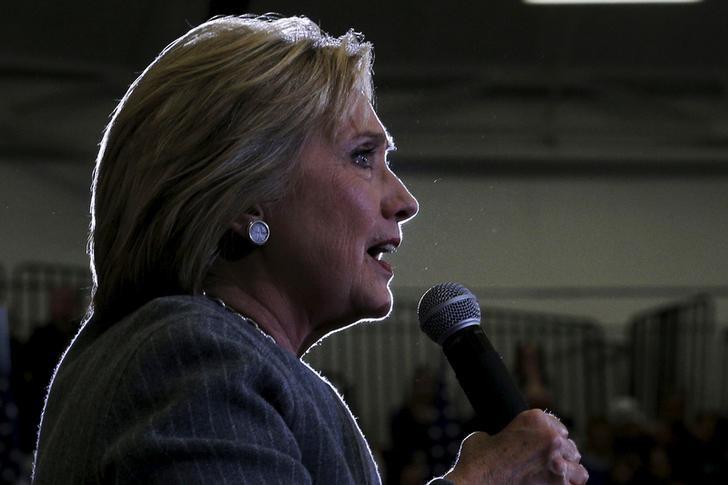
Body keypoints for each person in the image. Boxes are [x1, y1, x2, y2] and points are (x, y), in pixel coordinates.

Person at [32, 14, 588, 484]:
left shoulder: (192, 356)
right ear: (246, 195)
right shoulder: (191, 356)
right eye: (362, 157)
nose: (405, 200)